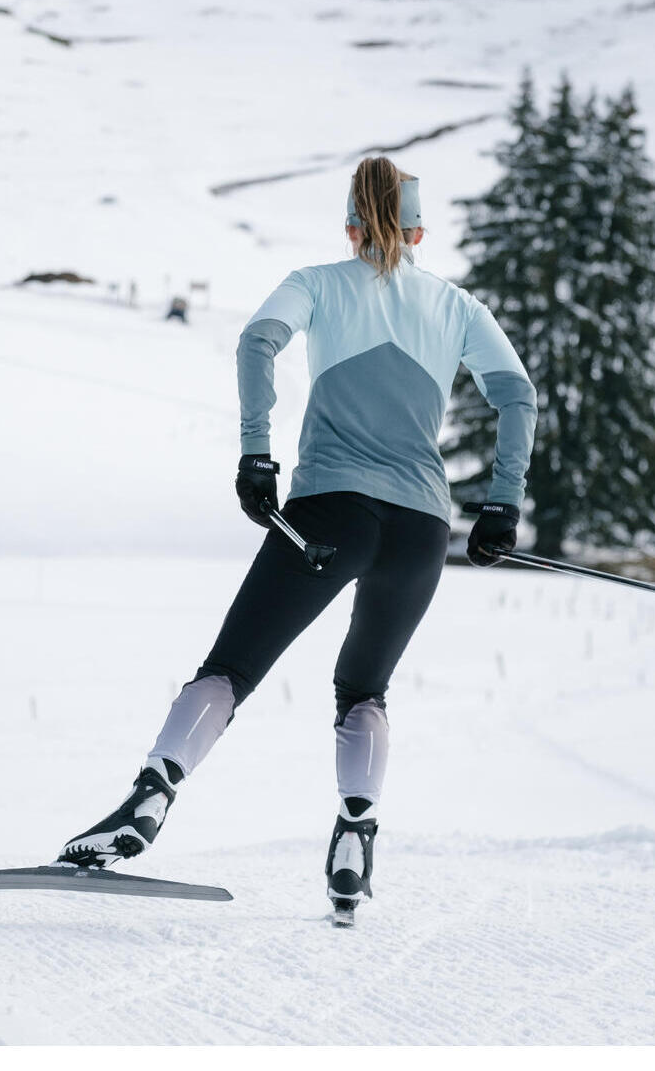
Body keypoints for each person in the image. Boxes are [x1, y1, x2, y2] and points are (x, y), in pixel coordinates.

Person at [58, 156, 538, 923]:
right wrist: (501, 506)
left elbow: (256, 343)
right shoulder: (457, 306)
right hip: (421, 530)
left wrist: (256, 453)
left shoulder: (317, 282)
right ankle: (354, 839)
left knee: (230, 670)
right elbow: (519, 396)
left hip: (328, 514)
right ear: (420, 229)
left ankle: (147, 801)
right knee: (364, 692)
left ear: (350, 225)